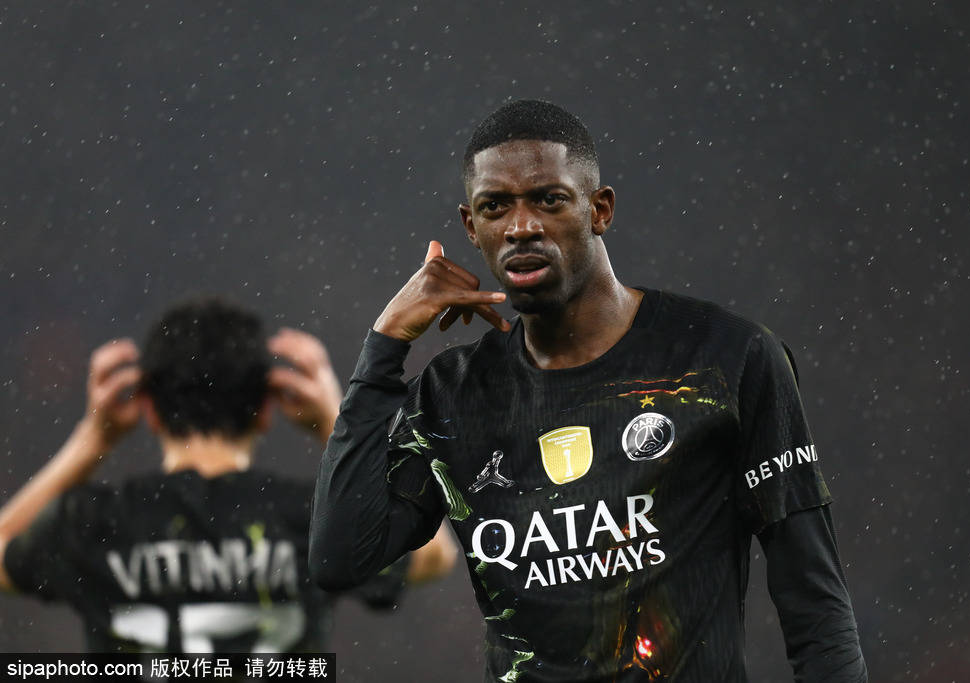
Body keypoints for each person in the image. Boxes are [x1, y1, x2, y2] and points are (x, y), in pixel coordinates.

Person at [310, 99, 867, 681]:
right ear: (472, 227)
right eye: (496, 207)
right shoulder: (451, 395)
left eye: (549, 200)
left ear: (599, 210)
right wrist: (382, 348)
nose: (521, 227)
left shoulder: (725, 359)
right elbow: (339, 559)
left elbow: (817, 608)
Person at [0, 298, 456, 652]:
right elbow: (433, 555)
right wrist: (338, 424)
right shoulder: (310, 519)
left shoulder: (97, 523)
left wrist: (90, 440)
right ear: (265, 410)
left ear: (149, 410)